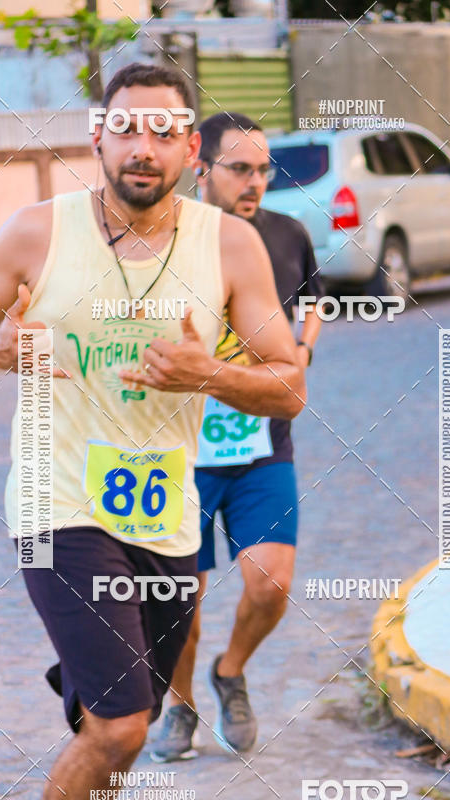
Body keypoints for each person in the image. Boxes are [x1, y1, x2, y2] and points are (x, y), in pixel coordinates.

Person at [0, 63, 305, 800]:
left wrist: (206, 374)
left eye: (163, 130)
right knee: (121, 725)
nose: (142, 147)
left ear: (189, 145)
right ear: (97, 136)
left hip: (166, 515)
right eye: (126, 127)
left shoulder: (231, 245)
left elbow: (288, 381)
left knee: (105, 730)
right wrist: (2, 351)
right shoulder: (39, 232)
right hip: (55, 500)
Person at [150, 112, 322, 763]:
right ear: (202, 166)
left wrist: (300, 354)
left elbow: (314, 300)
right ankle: (181, 705)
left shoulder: (284, 234)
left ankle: (232, 670)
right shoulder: (164, 239)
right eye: (239, 168)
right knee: (178, 597)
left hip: (260, 444)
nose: (254, 182)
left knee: (270, 583)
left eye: (262, 169)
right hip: (179, 452)